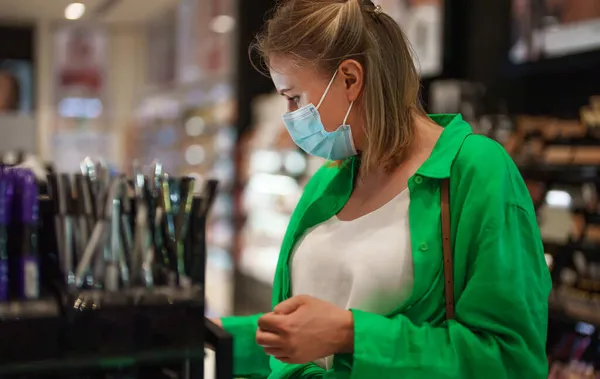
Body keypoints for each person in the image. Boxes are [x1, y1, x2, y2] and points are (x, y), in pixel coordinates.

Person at [215, 0, 551, 378]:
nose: (290, 116)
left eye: (294, 97)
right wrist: (210, 335)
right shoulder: (330, 179)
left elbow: (510, 360)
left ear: (350, 79)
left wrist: (349, 335)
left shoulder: (476, 171)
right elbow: (298, 339)